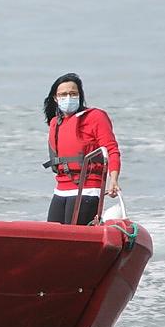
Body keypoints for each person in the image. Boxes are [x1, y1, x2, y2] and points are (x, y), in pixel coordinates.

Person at [42, 73, 121, 225]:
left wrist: (113, 179)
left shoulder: (95, 117)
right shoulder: (55, 123)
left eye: (73, 94)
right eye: (63, 94)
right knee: (54, 234)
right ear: (55, 98)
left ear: (80, 95)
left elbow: (112, 150)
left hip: (88, 188)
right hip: (61, 188)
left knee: (75, 235)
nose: (68, 98)